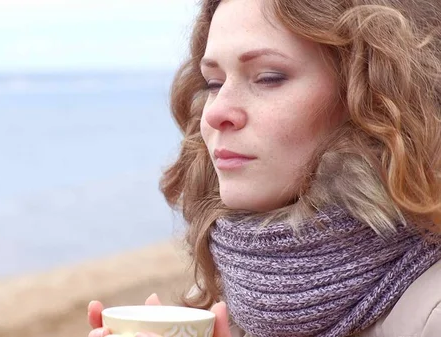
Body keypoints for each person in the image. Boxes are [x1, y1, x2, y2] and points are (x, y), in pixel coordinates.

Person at [88, 0, 441, 335]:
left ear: (375, 95)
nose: (215, 113)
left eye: (268, 77)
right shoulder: (236, 295)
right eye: (214, 83)